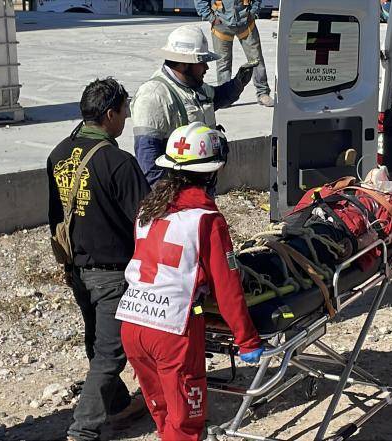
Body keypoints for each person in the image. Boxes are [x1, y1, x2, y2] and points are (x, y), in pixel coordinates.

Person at [117, 122, 263, 441]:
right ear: (212, 172)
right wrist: (247, 340)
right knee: (186, 422)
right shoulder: (206, 220)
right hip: (173, 331)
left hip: (131, 322)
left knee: (163, 410)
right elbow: (227, 287)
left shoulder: (148, 210)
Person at [47, 78, 150, 441]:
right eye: (125, 111)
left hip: (76, 268)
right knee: (111, 351)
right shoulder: (119, 163)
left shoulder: (58, 153)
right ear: (110, 115)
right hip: (112, 272)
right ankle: (83, 430)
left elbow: (54, 216)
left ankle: (119, 406)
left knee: (96, 342)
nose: (126, 118)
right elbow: (146, 220)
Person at [131, 24, 255, 185]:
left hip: (201, 187)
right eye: (201, 62)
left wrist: (238, 83)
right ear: (184, 64)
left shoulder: (195, 86)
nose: (206, 67)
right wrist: (173, 202)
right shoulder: (153, 96)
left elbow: (215, 98)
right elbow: (148, 162)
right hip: (178, 196)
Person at [194, 0, 274, 107]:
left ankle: (263, 93)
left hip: (246, 23)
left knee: (256, 59)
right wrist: (211, 18)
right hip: (221, 26)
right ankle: (225, 96)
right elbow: (200, 1)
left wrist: (253, 12)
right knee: (223, 63)